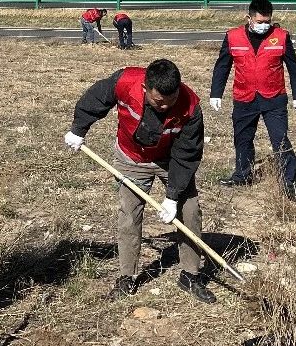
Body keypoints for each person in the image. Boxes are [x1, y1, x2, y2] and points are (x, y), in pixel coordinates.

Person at [64, 59, 214, 303]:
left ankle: (190, 274)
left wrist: (172, 196)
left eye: (171, 99)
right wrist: (79, 129)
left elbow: (187, 155)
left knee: (190, 211)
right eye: (158, 101)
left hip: (170, 160)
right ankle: (127, 277)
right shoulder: (125, 81)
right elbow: (95, 99)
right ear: (145, 88)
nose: (165, 106)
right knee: (129, 215)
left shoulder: (190, 106)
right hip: (131, 158)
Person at [208, 0, 296, 202]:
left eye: (267, 21)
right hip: (244, 97)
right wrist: (215, 92)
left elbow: (293, 66)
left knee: (280, 141)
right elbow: (222, 66)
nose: (264, 26)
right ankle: (242, 175)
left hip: (274, 97)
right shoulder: (233, 37)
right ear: (249, 18)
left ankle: (287, 183)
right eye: (260, 22)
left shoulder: (281, 36)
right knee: (243, 138)